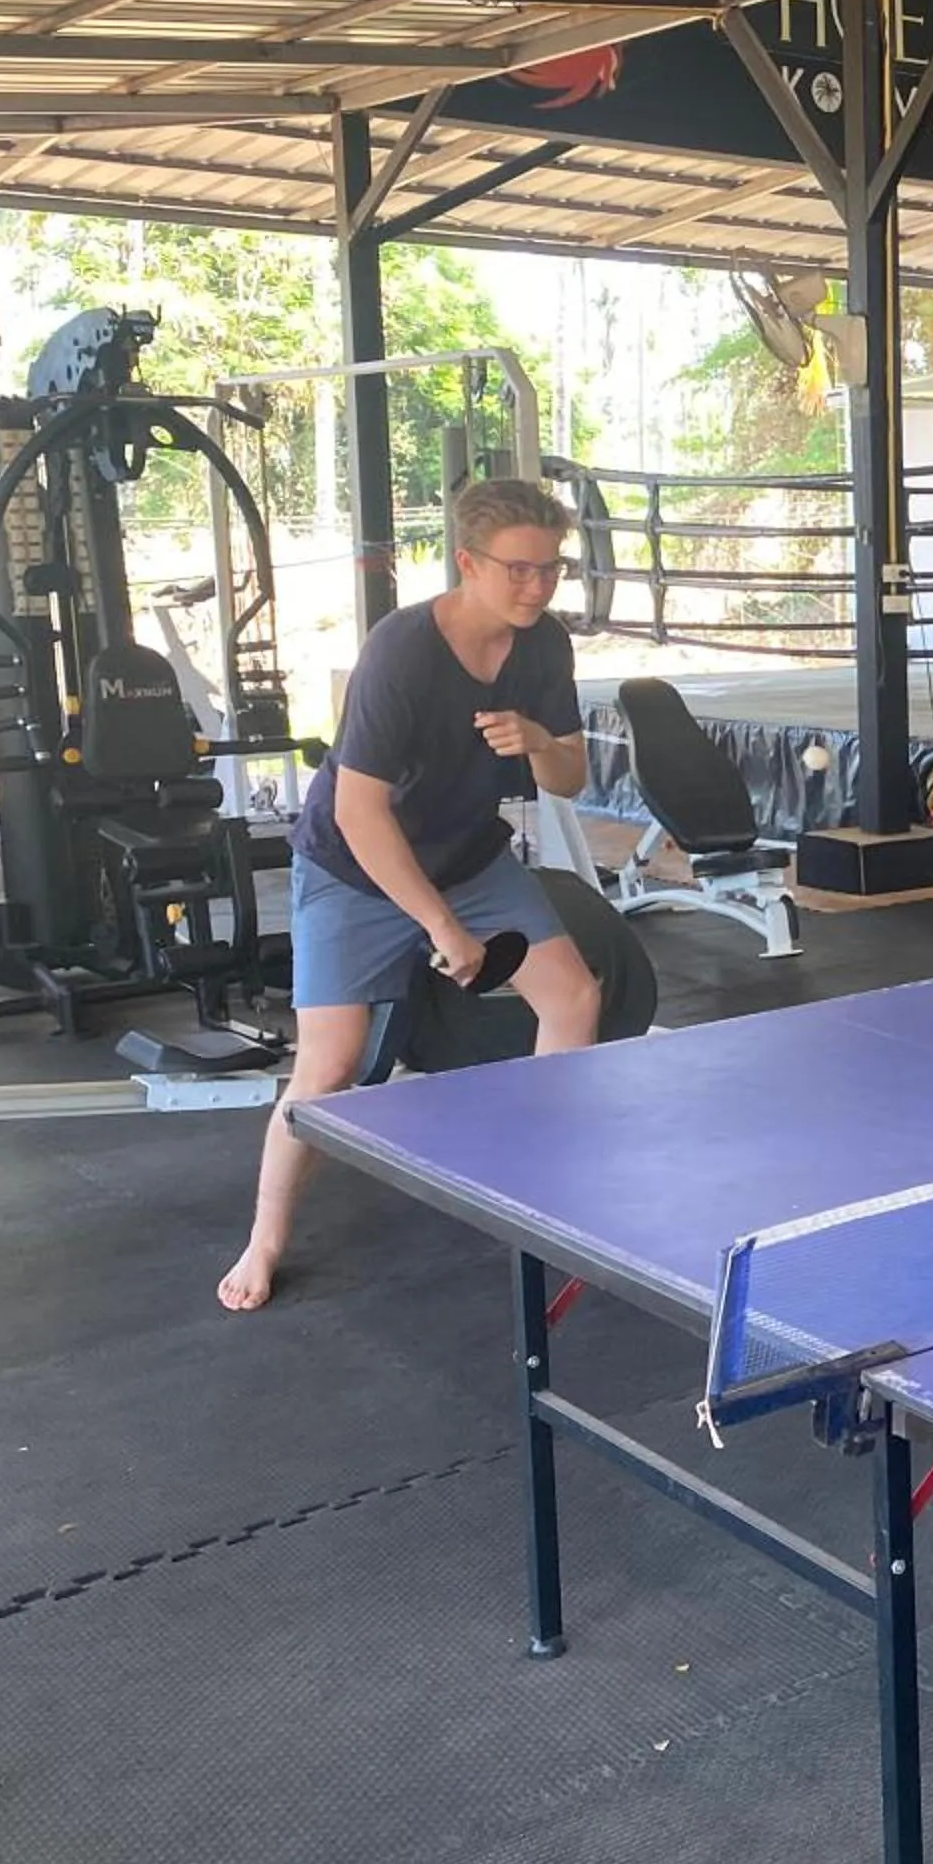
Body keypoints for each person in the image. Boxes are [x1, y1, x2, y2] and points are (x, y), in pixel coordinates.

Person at [218, 478, 603, 1311]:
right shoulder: (403, 653)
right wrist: (440, 927)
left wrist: (538, 740)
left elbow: (569, 777)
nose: (537, 586)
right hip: (356, 867)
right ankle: (266, 1236)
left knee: (573, 997)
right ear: (467, 562)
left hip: (469, 858)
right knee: (329, 1068)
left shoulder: (544, 648)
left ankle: (537, 1188)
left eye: (552, 569)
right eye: (518, 570)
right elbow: (360, 811)